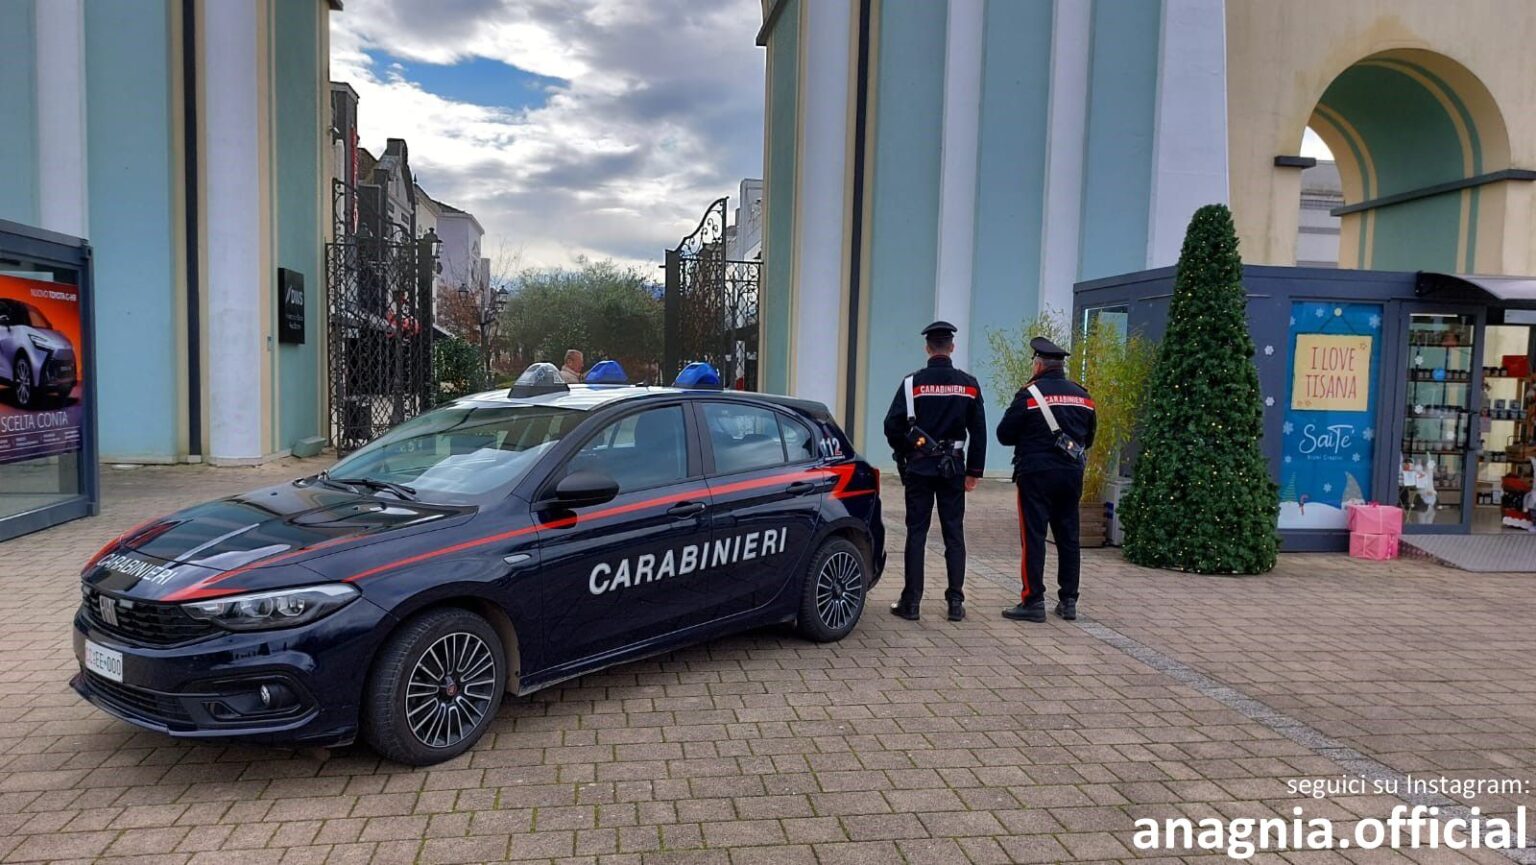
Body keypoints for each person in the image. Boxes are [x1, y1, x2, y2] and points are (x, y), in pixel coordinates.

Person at [882, 321, 987, 622]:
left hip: (920, 467)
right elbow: (978, 432)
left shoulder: (910, 384)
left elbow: (891, 426)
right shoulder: (968, 384)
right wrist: (974, 472)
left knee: (917, 533)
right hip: (954, 467)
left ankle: (911, 603)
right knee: (954, 533)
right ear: (951, 347)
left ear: (928, 348)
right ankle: (955, 602)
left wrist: (906, 450)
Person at [996, 336, 1096, 622]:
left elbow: (1004, 434)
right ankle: (1068, 602)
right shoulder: (1083, 395)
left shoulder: (1029, 395)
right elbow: (1088, 438)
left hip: (1036, 475)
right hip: (1071, 474)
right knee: (1068, 537)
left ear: (1039, 365)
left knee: (1034, 536)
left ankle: (1033, 601)